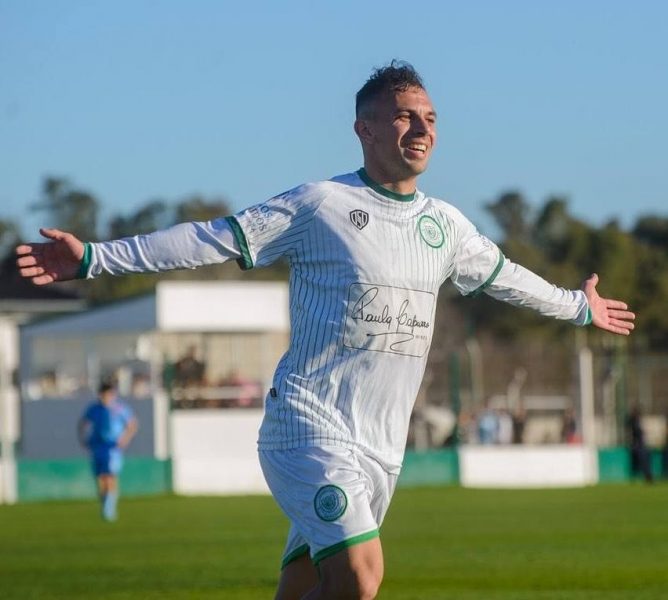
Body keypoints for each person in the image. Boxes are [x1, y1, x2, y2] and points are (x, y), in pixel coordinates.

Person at [17, 61, 635, 599]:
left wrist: (578, 308)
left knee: (307, 589)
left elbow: (508, 278)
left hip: (382, 449)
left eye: (430, 118)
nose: (422, 129)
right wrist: (95, 258)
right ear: (365, 129)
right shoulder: (320, 205)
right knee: (361, 579)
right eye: (404, 117)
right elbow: (210, 238)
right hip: (308, 428)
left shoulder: (446, 227)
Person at [78, 381, 138, 521]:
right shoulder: (94, 409)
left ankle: (109, 508)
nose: (106, 397)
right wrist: (83, 439)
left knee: (110, 476)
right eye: (103, 394)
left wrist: (124, 439)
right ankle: (105, 503)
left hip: (112, 448)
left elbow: (132, 424)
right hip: (97, 446)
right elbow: (83, 423)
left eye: (108, 394)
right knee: (100, 477)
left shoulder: (119, 408)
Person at [627, 405, 653, 483]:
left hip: (639, 445)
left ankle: (647, 476)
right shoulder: (634, 421)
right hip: (638, 445)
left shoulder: (636, 421)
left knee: (644, 461)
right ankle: (647, 476)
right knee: (643, 461)